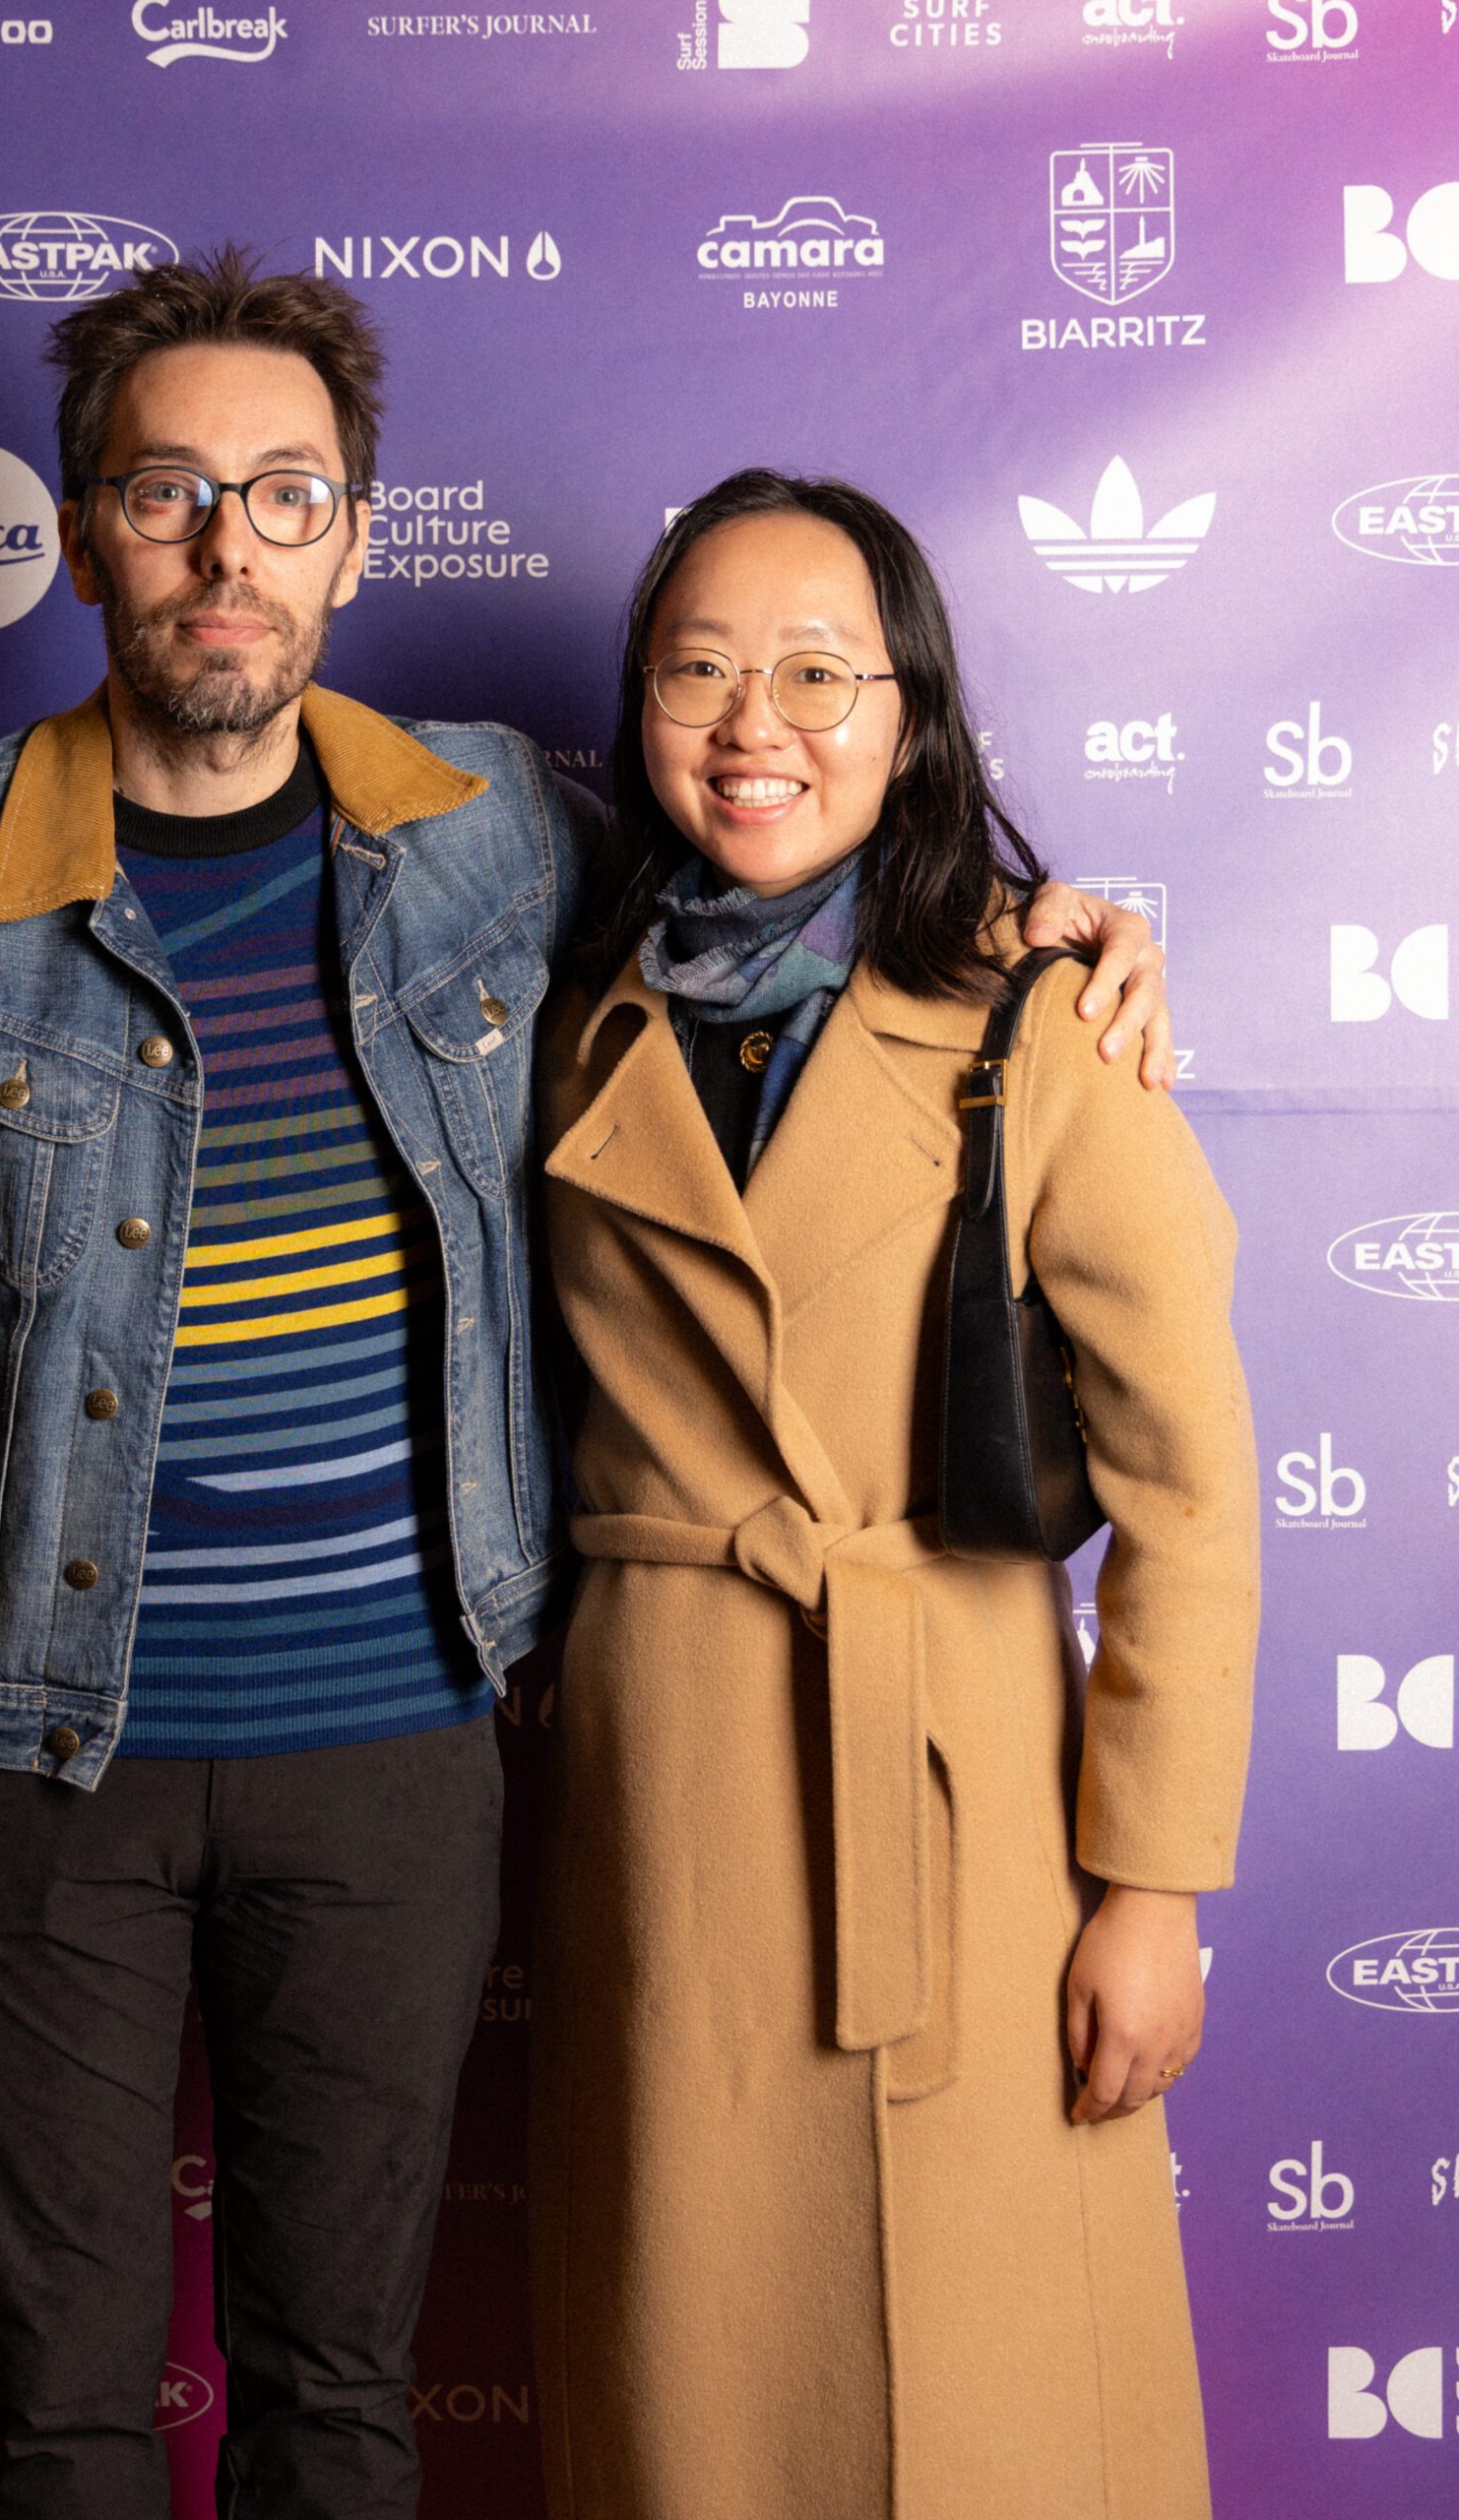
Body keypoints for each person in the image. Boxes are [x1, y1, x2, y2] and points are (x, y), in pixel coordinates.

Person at [0, 252, 1174, 2520]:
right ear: (80, 534)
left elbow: (788, 871)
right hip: (23, 1750)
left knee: (339, 2396)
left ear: (357, 539)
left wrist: (1047, 928)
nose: (227, 546)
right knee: (57, 2406)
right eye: (167, 492)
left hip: (395, 1748)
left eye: (285, 495)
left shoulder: (495, 828)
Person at [532, 471, 1257, 2520]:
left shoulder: (1044, 1026)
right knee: (697, 2379)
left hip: (965, 1793)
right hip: (665, 1790)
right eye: (696, 670)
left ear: (912, 717)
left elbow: (1192, 1490)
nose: (751, 724)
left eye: (817, 674)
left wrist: (1152, 1889)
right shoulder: (572, 1019)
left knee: (989, 2381)